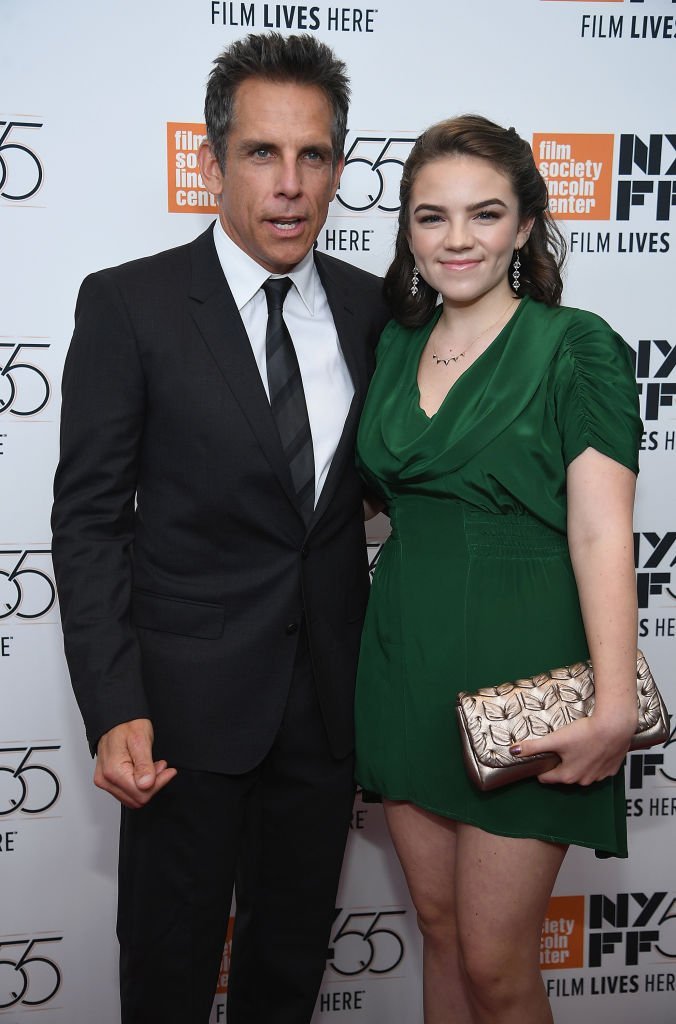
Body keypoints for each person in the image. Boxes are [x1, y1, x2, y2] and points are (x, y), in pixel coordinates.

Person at [51, 32, 389, 1024]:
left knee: (286, 978)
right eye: (260, 153)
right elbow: (88, 521)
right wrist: (115, 701)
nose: (289, 185)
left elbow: (367, 491)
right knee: (168, 975)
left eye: (313, 155)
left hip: (328, 715)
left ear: (336, 166)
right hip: (180, 722)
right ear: (211, 162)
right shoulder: (131, 304)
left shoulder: (379, 314)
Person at [354, 115, 641, 1024]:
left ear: (525, 226)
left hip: (526, 672)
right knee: (440, 932)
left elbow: (602, 533)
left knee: (498, 960)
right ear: (407, 230)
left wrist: (616, 703)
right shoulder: (394, 345)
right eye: (432, 217)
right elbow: (372, 496)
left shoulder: (576, 345)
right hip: (405, 663)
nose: (457, 239)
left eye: (485, 214)